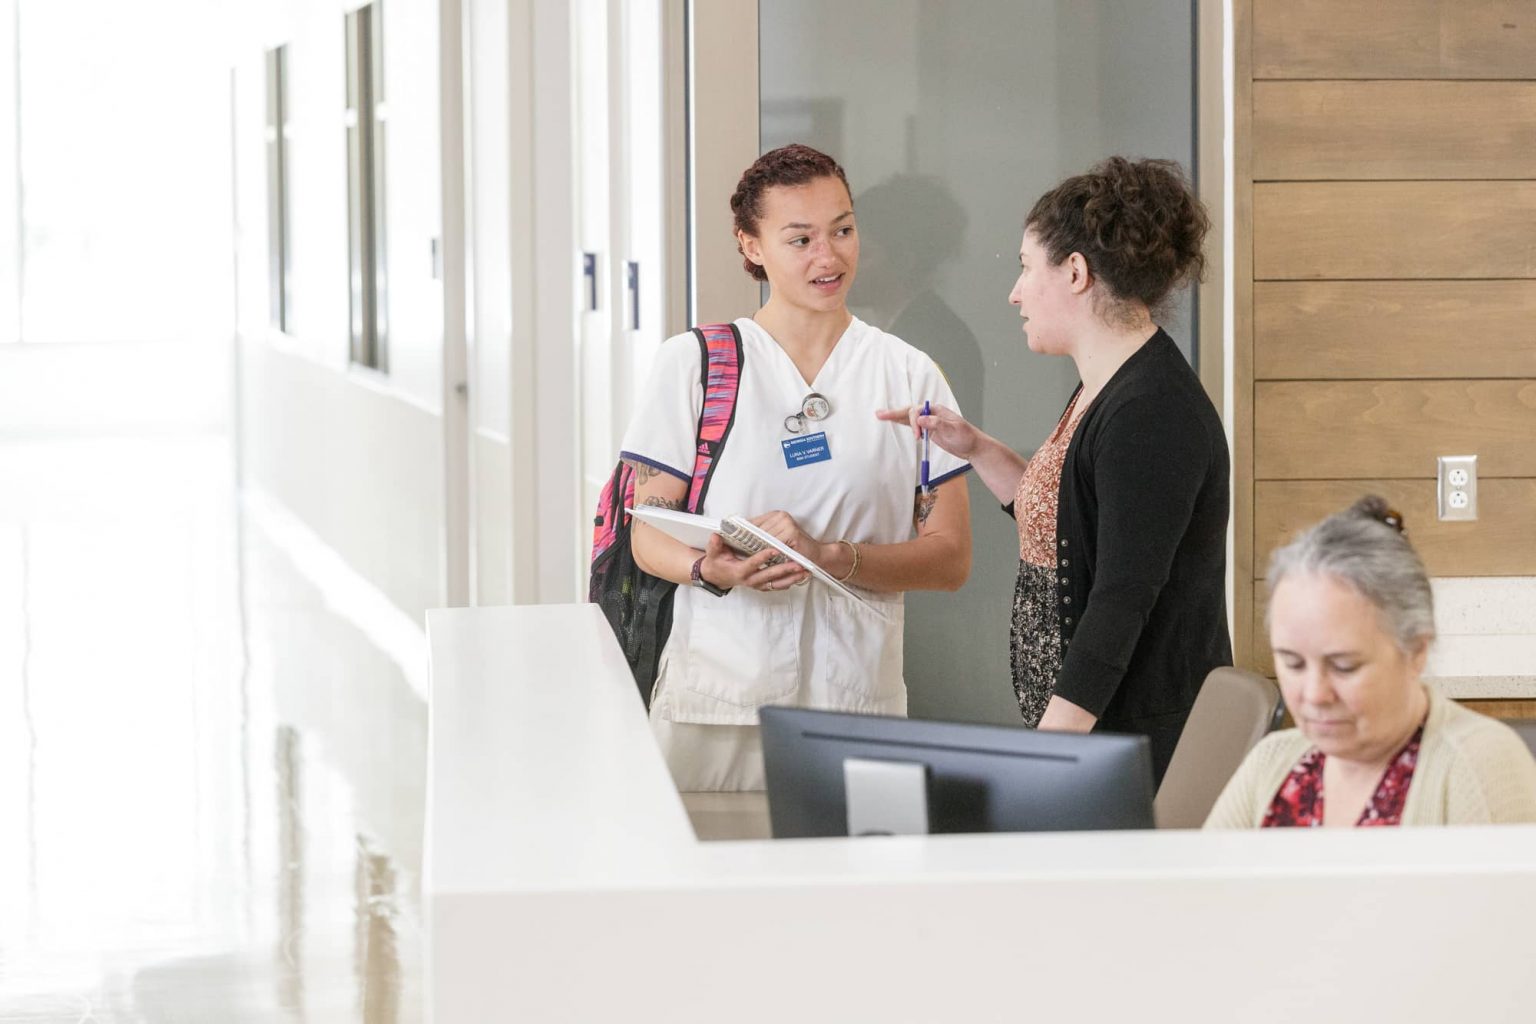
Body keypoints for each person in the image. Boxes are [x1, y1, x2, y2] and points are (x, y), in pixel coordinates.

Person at [621, 144, 973, 792]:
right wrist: (708, 568)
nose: (829, 256)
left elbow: (950, 558)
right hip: (717, 709)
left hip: (858, 711)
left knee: (860, 893)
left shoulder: (908, 372)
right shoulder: (697, 365)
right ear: (751, 245)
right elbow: (647, 534)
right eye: (800, 238)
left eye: (842, 229)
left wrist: (834, 556)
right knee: (709, 889)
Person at [880, 156, 1229, 785]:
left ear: (1075, 272)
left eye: (1024, 267)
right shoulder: (1110, 385)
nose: (1014, 292)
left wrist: (1050, 754)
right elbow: (1069, 522)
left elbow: (1121, 600)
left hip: (1134, 738)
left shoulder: (1150, 411)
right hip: (1096, 733)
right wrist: (978, 447)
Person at [1206, 497, 1536, 828]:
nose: (1314, 694)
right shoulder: (1270, 764)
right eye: (1293, 664)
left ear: (1416, 651)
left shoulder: (1480, 767)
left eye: (1344, 666)